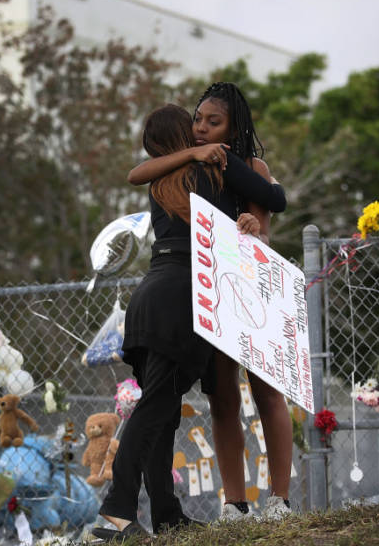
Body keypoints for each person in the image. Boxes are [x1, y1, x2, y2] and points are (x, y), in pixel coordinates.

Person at [94, 103, 286, 540]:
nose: (201, 132)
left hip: (149, 298)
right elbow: (275, 198)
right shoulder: (208, 173)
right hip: (182, 296)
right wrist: (253, 211)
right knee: (157, 407)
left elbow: (136, 173)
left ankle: (166, 513)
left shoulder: (163, 179)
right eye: (194, 126)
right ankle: (117, 510)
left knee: (163, 411)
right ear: (185, 137)